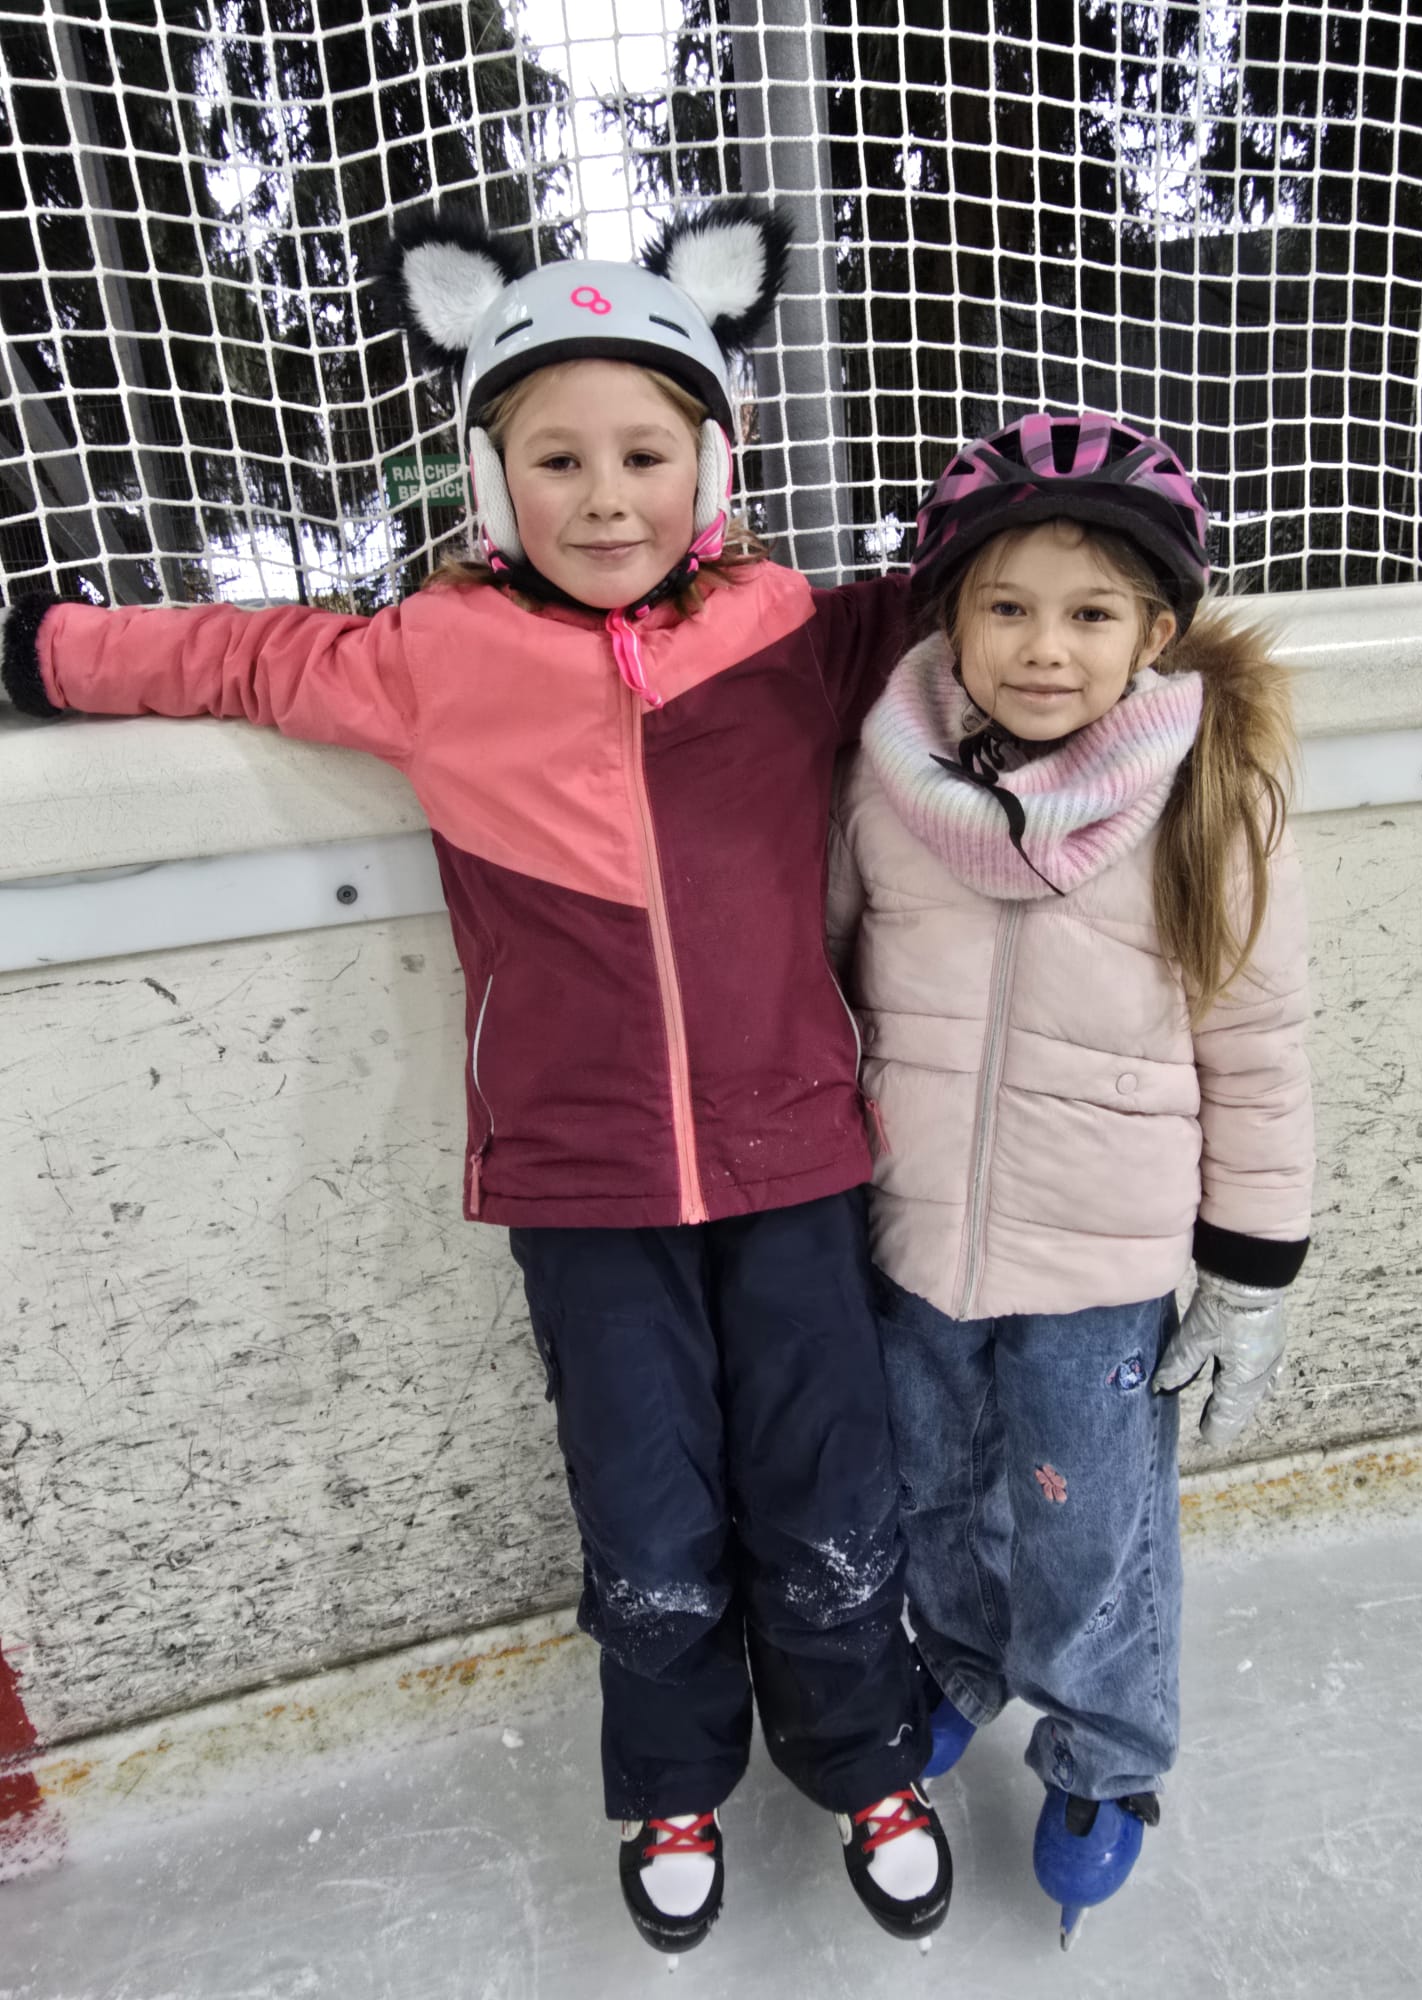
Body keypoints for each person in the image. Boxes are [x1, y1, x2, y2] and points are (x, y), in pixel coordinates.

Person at [0, 199, 951, 1956]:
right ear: (491, 481)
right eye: (557, 459)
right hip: (582, 1179)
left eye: (646, 454)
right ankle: (671, 1780)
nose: (606, 497)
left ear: (711, 464)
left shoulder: (785, 632)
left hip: (798, 1154)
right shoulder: (435, 656)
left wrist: (1085, 552)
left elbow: (958, 607)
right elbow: (240, 656)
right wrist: (51, 649)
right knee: (645, 1500)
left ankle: (867, 1760)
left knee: (830, 1478)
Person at [826, 411, 1314, 1948]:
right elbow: (828, 982)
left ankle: (1107, 1750)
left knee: (1091, 1528)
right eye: (1009, 607)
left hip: (1100, 1272)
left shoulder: (1204, 799)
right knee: (937, 1493)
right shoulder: (887, 780)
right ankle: (963, 1664)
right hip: (915, 1240)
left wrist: (1250, 1268)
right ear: (950, 618)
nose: (1046, 648)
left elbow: (1260, 1048)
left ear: (1154, 635)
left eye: (1092, 613)